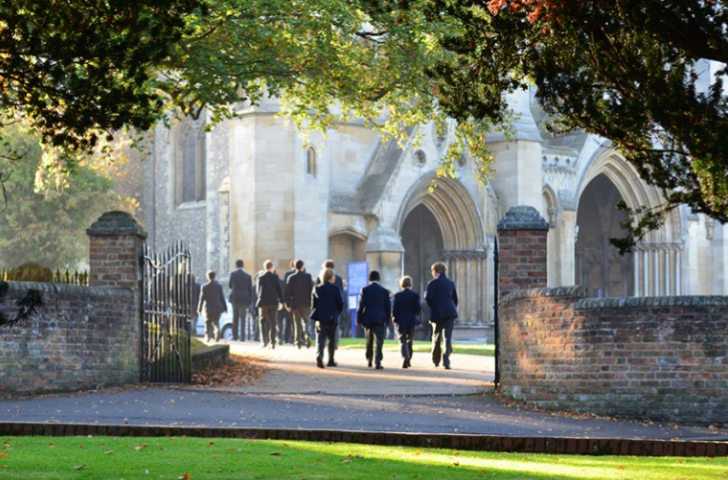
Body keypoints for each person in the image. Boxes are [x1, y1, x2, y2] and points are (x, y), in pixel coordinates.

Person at [425, 261, 459, 370]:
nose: (432, 273)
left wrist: (434, 306)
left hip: (437, 312)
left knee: (436, 336)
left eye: (432, 271)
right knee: (447, 337)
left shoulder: (432, 283)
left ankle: (436, 360)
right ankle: (446, 361)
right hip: (449, 312)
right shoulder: (450, 282)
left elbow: (429, 299)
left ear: (436, 271)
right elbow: (455, 299)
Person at [356, 270, 391, 369]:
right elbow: (387, 308)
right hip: (379, 318)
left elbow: (361, 306)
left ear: (369, 279)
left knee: (368, 339)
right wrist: (387, 320)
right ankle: (378, 361)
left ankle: (369, 359)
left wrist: (358, 319)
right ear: (379, 279)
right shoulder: (384, 291)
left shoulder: (364, 290)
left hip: (367, 318)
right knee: (379, 340)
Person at [310, 268, 344, 368]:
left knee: (320, 338)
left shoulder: (316, 288)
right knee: (332, 339)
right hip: (332, 316)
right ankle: (330, 360)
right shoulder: (335, 289)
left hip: (320, 316)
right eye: (333, 276)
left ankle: (319, 355)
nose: (334, 278)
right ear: (330, 277)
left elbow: (313, 305)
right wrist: (337, 312)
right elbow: (340, 304)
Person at [392, 275, 421, 369]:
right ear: (411, 285)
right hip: (411, 321)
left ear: (401, 285)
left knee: (402, 340)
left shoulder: (397, 296)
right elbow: (417, 309)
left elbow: (395, 309)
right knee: (410, 339)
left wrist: (394, 318)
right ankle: (409, 358)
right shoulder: (415, 295)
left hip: (401, 321)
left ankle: (405, 357)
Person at [285, 259, 314, 349]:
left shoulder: (291, 277)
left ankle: (297, 341)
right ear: (302, 266)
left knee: (296, 323)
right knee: (306, 321)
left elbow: (287, 292)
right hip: (306, 303)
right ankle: (307, 335)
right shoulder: (308, 276)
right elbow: (312, 290)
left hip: (295, 303)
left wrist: (288, 304)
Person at [255, 259, 283, 349]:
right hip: (273, 302)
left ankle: (264, 341)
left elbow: (257, 291)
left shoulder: (260, 277)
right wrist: (281, 301)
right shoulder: (275, 277)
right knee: (273, 322)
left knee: (262, 321)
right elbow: (279, 290)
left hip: (263, 302)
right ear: (271, 267)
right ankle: (272, 342)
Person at [316, 259, 345, 347]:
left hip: (323, 306)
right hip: (334, 305)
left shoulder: (319, 277)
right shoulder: (339, 278)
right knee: (335, 325)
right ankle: (334, 343)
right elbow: (341, 292)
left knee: (322, 326)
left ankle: (322, 344)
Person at [197, 270, 227, 342]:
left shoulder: (204, 287)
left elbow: (201, 299)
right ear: (214, 277)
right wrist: (225, 308)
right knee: (216, 321)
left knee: (207, 322)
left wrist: (199, 309)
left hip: (208, 308)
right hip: (217, 308)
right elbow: (222, 298)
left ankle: (207, 336)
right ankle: (217, 331)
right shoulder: (219, 286)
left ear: (207, 277)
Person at [229, 259, 253, 341]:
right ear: (243, 265)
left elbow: (230, 285)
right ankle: (242, 337)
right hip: (244, 298)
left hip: (235, 297)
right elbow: (250, 289)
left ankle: (235, 336)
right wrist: (250, 301)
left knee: (235, 317)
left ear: (236, 265)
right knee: (243, 318)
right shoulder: (248, 276)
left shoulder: (233, 274)